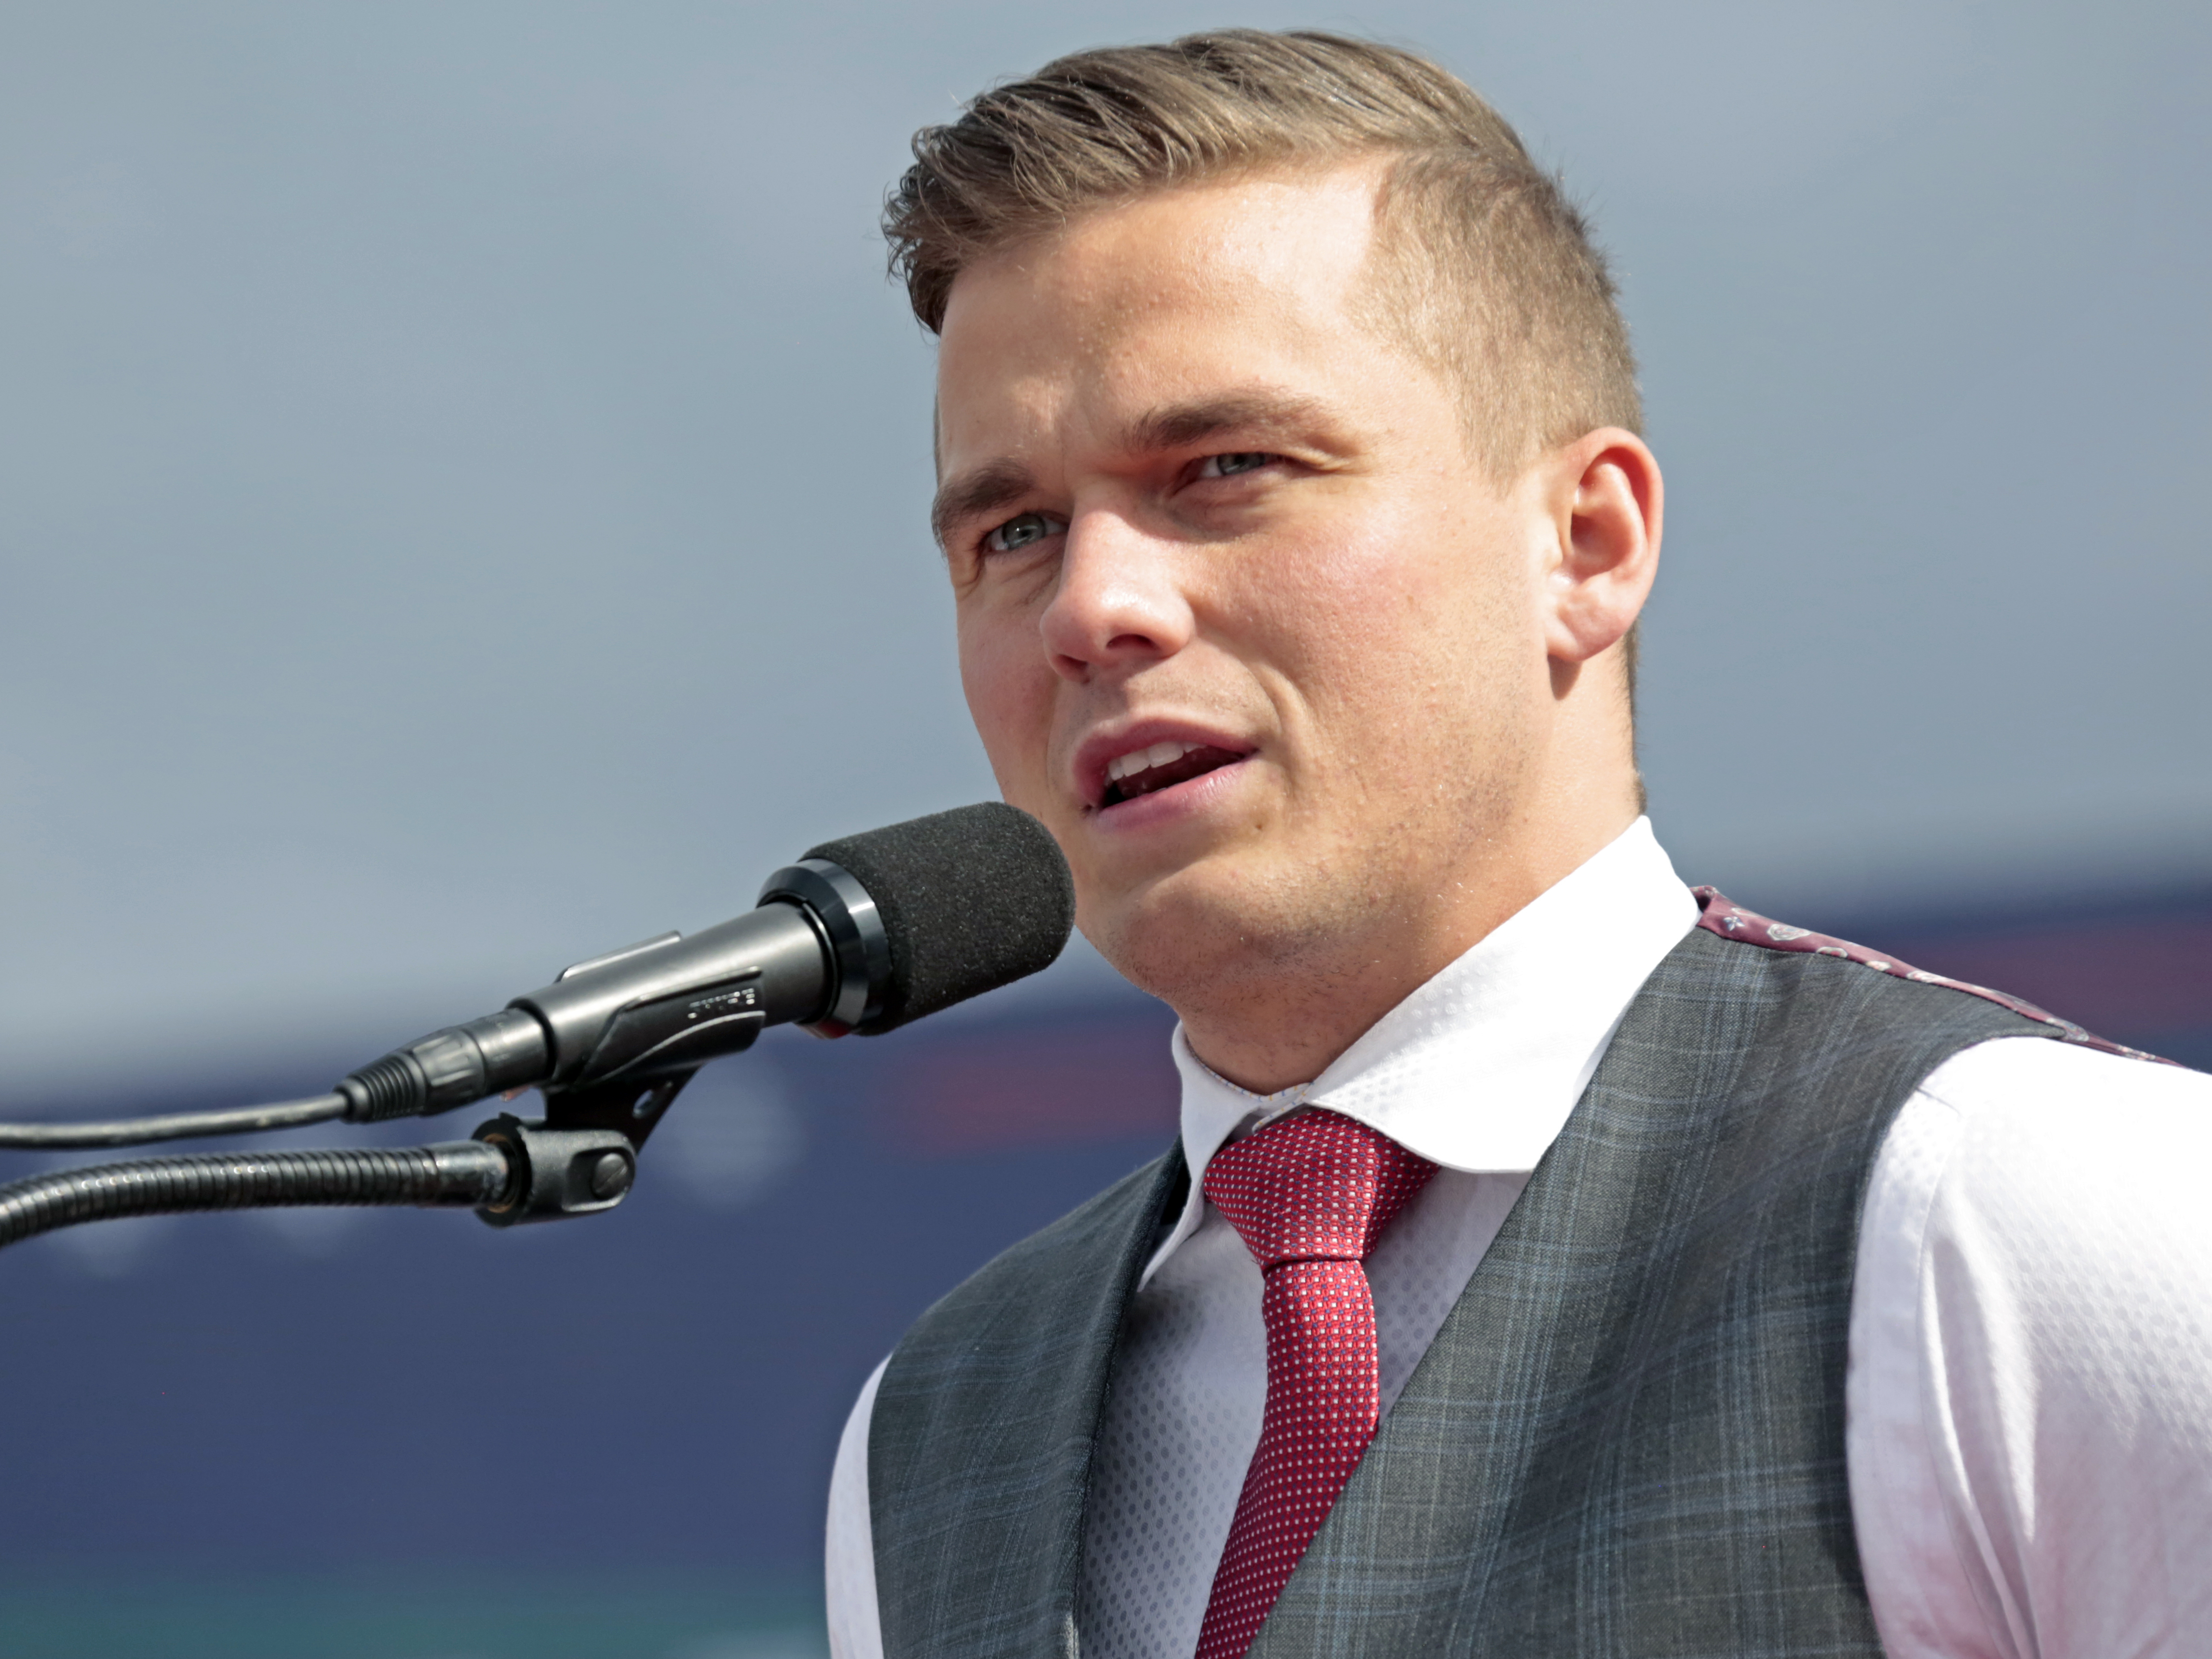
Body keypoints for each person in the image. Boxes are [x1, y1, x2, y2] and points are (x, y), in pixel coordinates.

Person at [823, 29, 2212, 1659]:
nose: (1092, 606)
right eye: (1014, 530)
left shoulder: (2026, 1210)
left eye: (1224, 468)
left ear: (1584, 543)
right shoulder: (928, 1435)